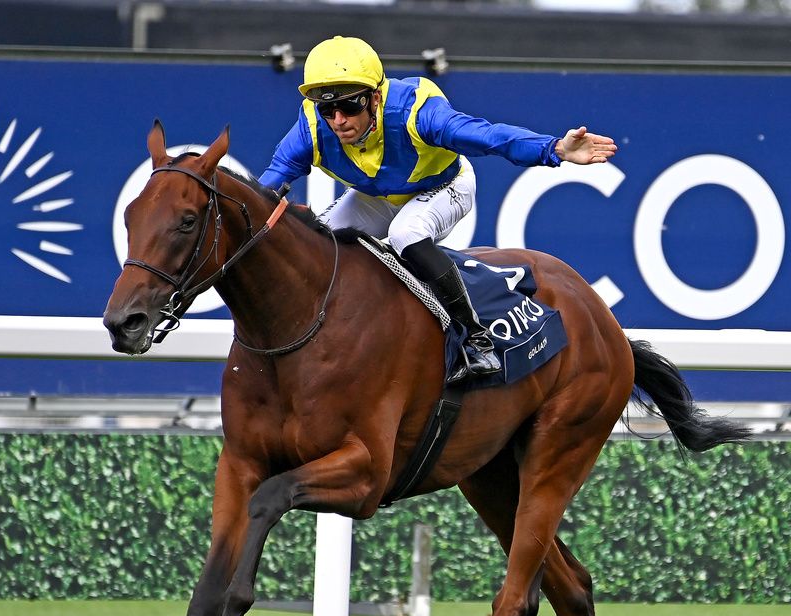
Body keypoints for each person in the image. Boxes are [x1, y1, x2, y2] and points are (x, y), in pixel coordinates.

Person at [259, 36, 617, 383]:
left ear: (376, 98)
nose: (338, 120)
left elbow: (490, 136)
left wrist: (554, 148)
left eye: (350, 106)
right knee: (316, 242)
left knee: (405, 233)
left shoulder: (417, 113)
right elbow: (265, 192)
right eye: (327, 108)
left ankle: (475, 338)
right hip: (374, 196)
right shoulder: (310, 127)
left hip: (445, 186)